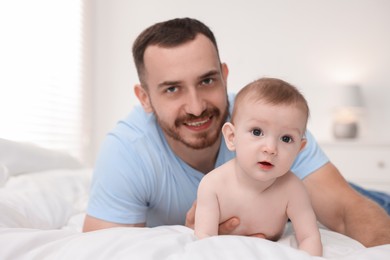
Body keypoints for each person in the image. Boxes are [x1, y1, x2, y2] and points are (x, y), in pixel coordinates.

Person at [83, 17, 390, 247]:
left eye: (207, 81)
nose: (195, 107)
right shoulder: (127, 151)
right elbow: (107, 249)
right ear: (145, 98)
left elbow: (346, 209)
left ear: (225, 75)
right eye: (172, 89)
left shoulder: (269, 126)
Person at [194, 78, 322, 256]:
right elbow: (204, 239)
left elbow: (309, 237)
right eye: (257, 132)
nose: (270, 148)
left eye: (286, 139)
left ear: (299, 149)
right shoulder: (213, 185)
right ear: (232, 137)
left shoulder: (293, 189)